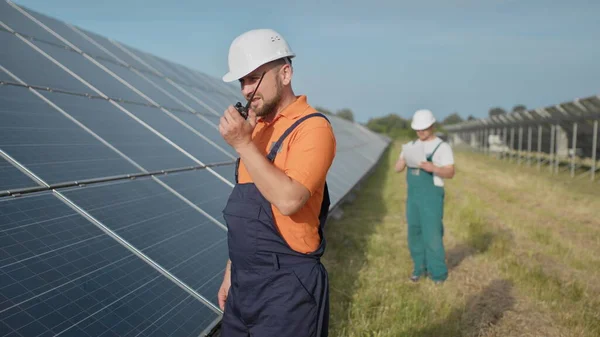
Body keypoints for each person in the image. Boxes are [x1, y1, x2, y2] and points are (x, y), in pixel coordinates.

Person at [217, 28, 337, 337]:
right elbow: (247, 217)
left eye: (254, 78)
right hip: (244, 289)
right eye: (242, 81)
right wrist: (232, 271)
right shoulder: (255, 131)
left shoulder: (312, 129)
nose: (246, 90)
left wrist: (243, 145)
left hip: (288, 292)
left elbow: (288, 200)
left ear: (285, 74)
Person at [394, 109, 455, 284]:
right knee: (415, 232)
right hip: (413, 197)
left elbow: (450, 172)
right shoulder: (410, 145)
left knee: (432, 234)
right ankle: (419, 268)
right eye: (418, 129)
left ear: (432, 126)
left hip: (431, 197)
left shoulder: (442, 147)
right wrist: (404, 159)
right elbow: (397, 169)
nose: (421, 132)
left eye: (424, 129)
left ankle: (438, 274)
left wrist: (433, 168)